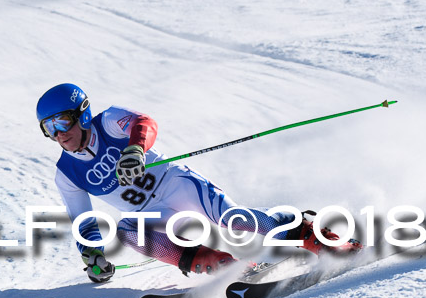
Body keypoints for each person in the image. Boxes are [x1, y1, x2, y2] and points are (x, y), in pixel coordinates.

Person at [36, 83, 359, 283]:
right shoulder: (67, 173)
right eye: (48, 128)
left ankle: (313, 234)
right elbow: (83, 220)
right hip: (155, 214)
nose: (59, 133)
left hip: (177, 184)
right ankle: (215, 263)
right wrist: (92, 257)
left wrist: (135, 149)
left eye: (62, 120)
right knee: (126, 232)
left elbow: (143, 122)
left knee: (235, 220)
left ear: (83, 113)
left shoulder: (109, 121)